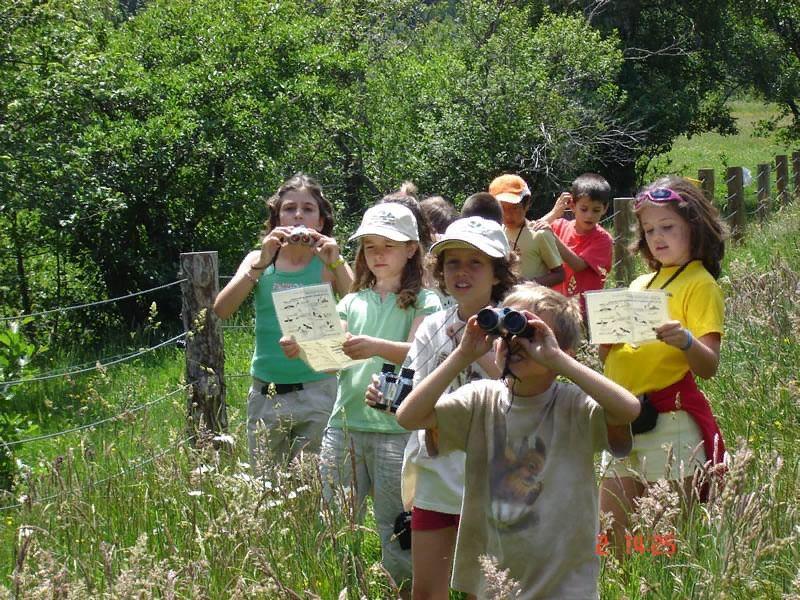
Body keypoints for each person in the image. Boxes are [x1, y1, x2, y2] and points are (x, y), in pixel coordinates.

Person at [395, 283, 639, 599]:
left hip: (565, 582)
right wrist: (462, 354)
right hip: (495, 581)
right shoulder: (479, 400)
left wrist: (558, 360)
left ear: (560, 349)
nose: (516, 342)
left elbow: (629, 409)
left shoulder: (574, 405)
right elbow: (409, 417)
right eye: (507, 330)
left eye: (531, 333)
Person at [368, 217, 518, 600]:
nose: (462, 272)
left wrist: (478, 353)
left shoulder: (519, 323)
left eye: (475, 263)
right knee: (427, 591)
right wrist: (389, 400)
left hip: (494, 473)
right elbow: (415, 397)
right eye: (452, 262)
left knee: (486, 589)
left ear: (498, 272)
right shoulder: (432, 325)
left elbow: (521, 397)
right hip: (434, 472)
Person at [598, 176, 728, 555]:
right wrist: (607, 344)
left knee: (660, 544)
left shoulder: (699, 283)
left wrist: (685, 340)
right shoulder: (639, 283)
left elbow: (709, 366)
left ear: (695, 226)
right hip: (621, 422)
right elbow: (614, 358)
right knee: (610, 540)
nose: (657, 237)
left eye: (668, 227)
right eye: (650, 229)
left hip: (671, 423)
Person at [319, 201, 442, 595]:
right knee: (336, 523)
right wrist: (304, 347)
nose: (377, 254)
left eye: (388, 245)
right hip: (344, 425)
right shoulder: (351, 301)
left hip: (396, 428)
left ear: (411, 248)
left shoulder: (426, 301)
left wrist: (372, 346)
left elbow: (421, 353)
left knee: (396, 526)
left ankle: (402, 591)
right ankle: (346, 588)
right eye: (370, 246)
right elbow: (328, 359)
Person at [213, 173, 353, 467]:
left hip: (318, 388)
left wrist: (337, 261)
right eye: (289, 209)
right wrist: (261, 264)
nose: (298, 215)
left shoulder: (328, 262)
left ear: (321, 221)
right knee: (266, 489)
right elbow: (222, 310)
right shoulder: (259, 259)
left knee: (314, 488)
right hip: (267, 391)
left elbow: (361, 305)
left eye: (308, 209)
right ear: (276, 218)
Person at [537, 173, 614, 305]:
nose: (589, 215)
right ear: (572, 206)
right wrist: (554, 213)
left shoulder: (603, 239)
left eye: (596, 210)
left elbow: (578, 265)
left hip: (584, 309)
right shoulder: (559, 225)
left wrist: (552, 237)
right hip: (554, 305)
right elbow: (532, 230)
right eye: (584, 209)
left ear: (605, 208)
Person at [488, 174, 564, 287]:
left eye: (514, 208)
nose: (508, 215)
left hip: (531, 301)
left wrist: (527, 284)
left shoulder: (539, 234)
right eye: (503, 208)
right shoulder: (497, 233)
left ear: (527, 205)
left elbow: (559, 274)